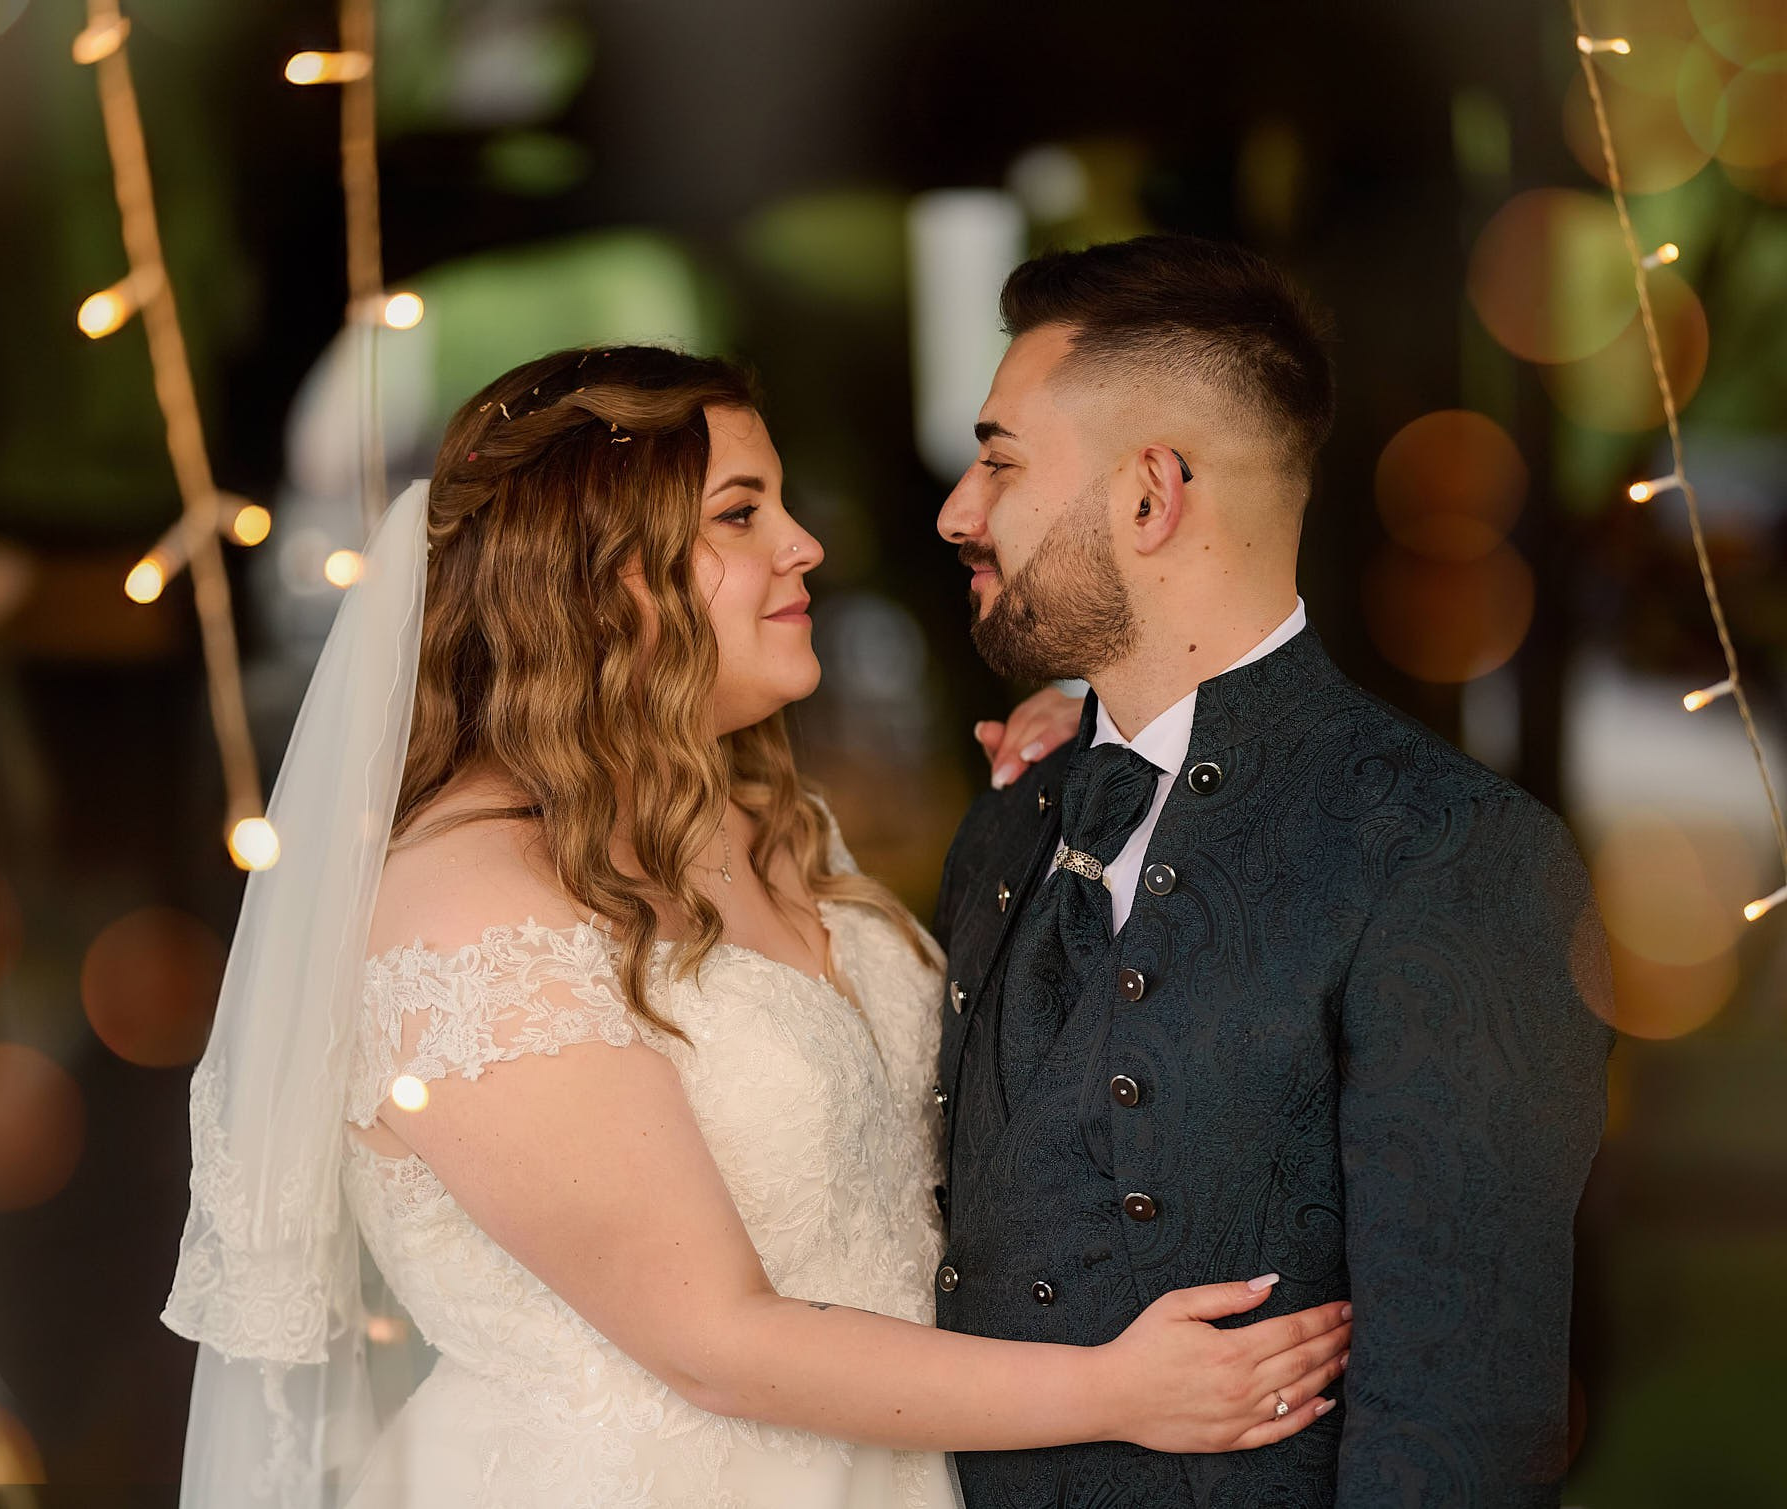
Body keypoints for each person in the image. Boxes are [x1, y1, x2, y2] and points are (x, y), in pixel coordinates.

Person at [162, 345, 1351, 1508]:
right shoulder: (465, 908)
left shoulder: (766, 822)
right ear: (600, 572)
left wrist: (1068, 785)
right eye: (741, 515)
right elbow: (708, 1340)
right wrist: (1115, 1393)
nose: (803, 547)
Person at [930, 235, 1614, 1509]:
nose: (958, 511)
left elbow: (1460, 1419)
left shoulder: (1448, 852)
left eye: (999, 460)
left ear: (1149, 496)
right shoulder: (1008, 825)